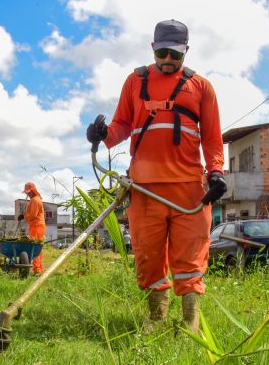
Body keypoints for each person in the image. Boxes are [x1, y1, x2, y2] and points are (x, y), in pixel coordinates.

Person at [86, 19, 226, 332]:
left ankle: (190, 320)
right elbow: (122, 124)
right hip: (145, 189)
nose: (167, 60)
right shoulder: (135, 82)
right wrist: (102, 134)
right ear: (153, 48)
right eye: (162, 52)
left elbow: (213, 139)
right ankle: (155, 318)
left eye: (175, 55)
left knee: (190, 256)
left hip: (189, 189)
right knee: (148, 257)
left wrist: (216, 171)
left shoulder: (201, 87)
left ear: (186, 52)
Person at [19, 182, 45, 274]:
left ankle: (37, 269)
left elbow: (33, 215)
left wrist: (24, 216)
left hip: (36, 226)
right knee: (38, 248)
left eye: (29, 192)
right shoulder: (35, 200)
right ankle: (39, 268)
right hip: (37, 226)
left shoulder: (35, 200)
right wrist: (25, 215)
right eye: (27, 192)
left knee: (34, 248)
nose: (28, 194)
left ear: (33, 190)